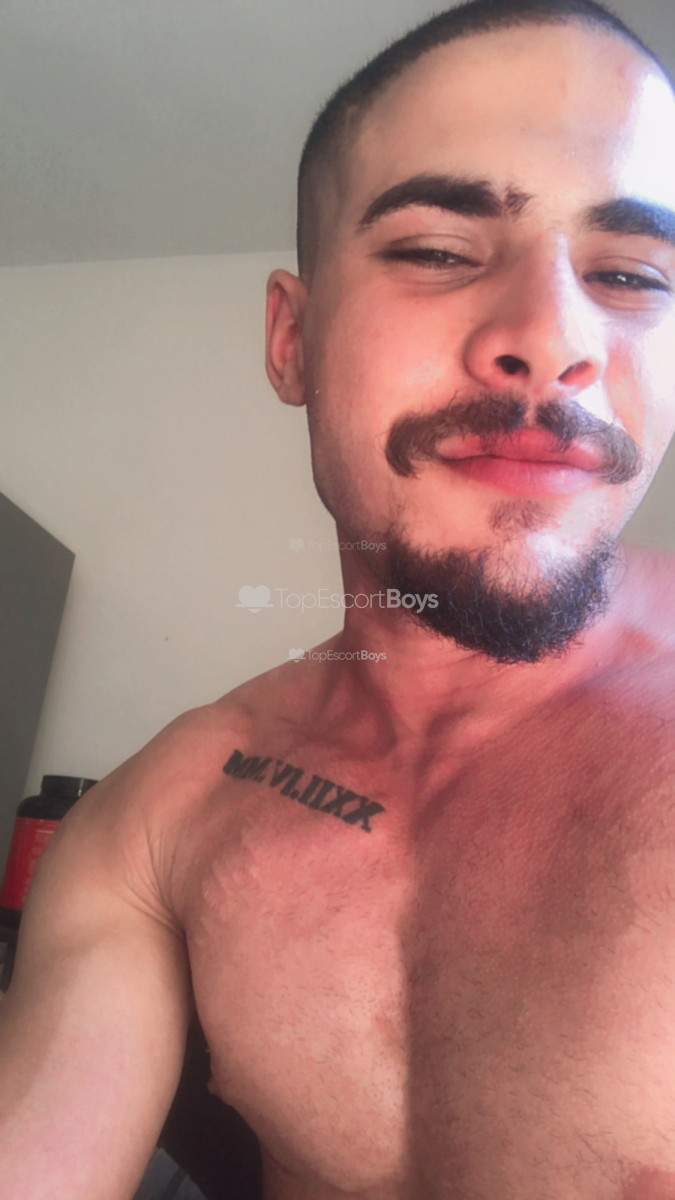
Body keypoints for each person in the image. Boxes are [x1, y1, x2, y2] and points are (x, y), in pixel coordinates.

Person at [3, 0, 675, 1196]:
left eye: (629, 274)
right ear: (292, 339)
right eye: (438, 251)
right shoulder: (159, 821)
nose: (553, 337)